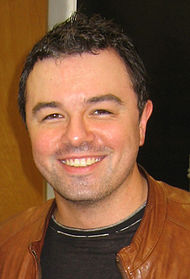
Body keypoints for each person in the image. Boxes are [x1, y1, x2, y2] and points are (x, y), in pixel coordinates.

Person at [0, 12, 190, 279]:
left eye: (101, 111)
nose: (76, 136)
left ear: (141, 123)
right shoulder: (6, 249)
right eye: (52, 116)